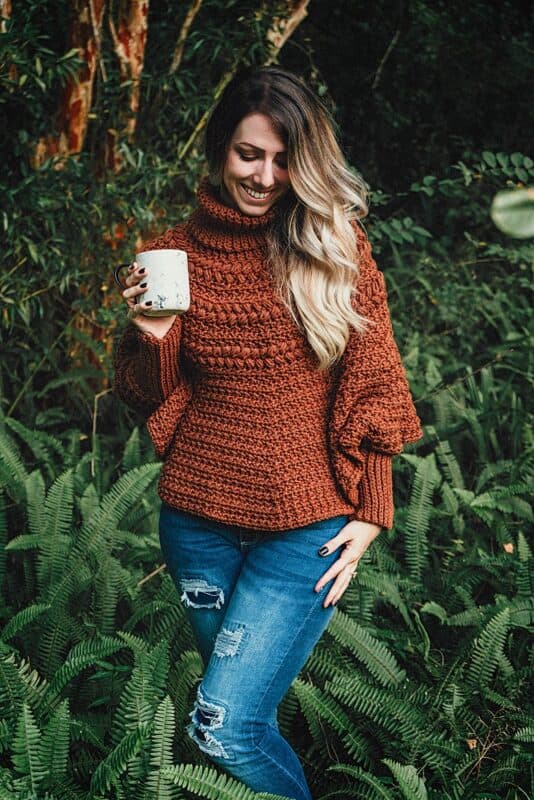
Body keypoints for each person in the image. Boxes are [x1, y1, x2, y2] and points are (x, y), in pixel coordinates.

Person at [113, 66, 423, 800]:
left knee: (221, 725)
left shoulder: (332, 243)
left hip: (303, 532)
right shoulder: (171, 254)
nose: (265, 175)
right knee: (246, 720)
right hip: (196, 526)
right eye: (250, 154)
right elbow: (142, 396)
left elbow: (373, 378)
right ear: (222, 146)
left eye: (284, 160)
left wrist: (372, 507)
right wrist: (153, 334)